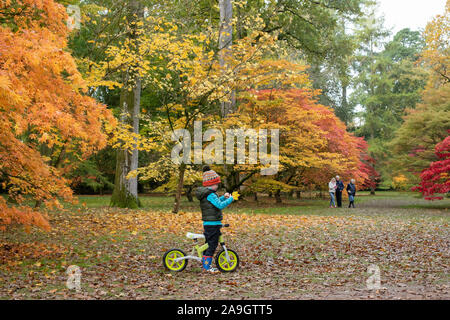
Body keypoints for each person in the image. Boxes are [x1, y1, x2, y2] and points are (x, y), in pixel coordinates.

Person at [195, 166, 235, 273]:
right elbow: (219, 205)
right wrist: (230, 199)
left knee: (209, 243)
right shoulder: (210, 194)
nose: (217, 186)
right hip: (212, 224)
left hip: (211, 223)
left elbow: (215, 202)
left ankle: (206, 264)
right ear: (209, 184)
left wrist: (223, 197)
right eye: (215, 184)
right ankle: (207, 267)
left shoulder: (209, 194)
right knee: (212, 244)